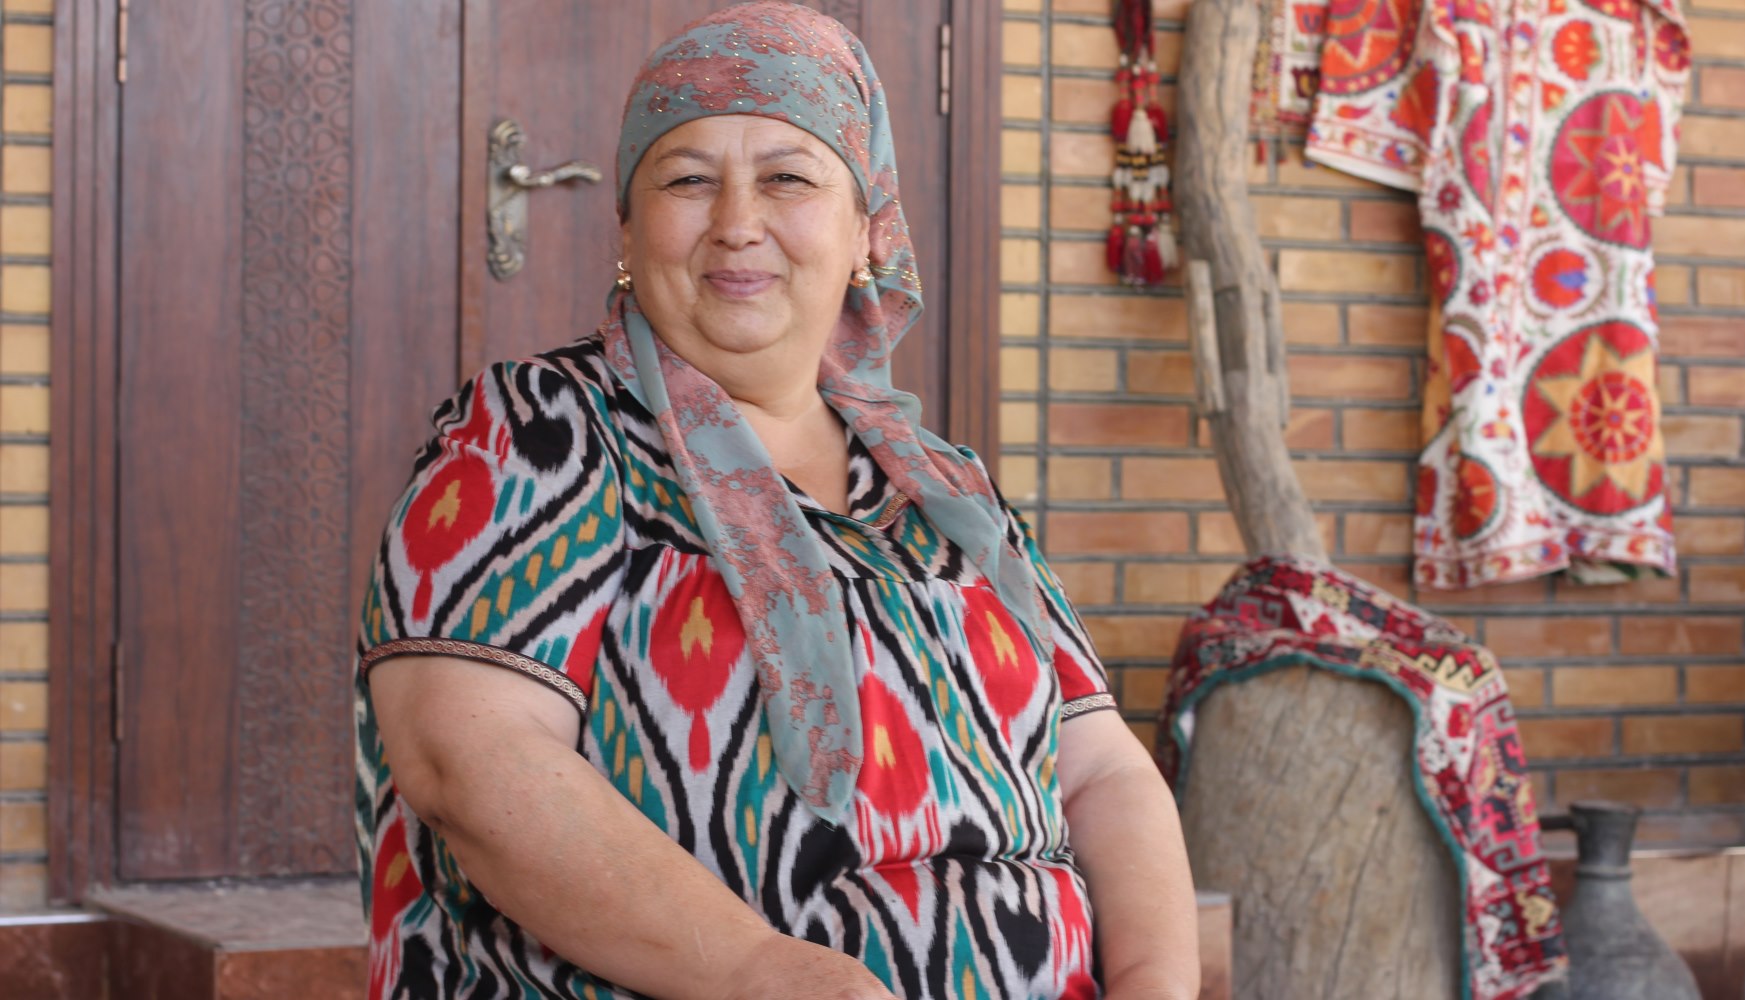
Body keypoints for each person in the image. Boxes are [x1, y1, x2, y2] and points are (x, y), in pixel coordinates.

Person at [354, 3, 1199, 997]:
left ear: (863, 231)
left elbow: (1101, 771)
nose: (736, 223)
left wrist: (1154, 984)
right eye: (686, 180)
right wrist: (766, 972)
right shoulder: (539, 432)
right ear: (628, 228)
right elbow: (470, 760)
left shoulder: (943, 491)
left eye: (787, 178)